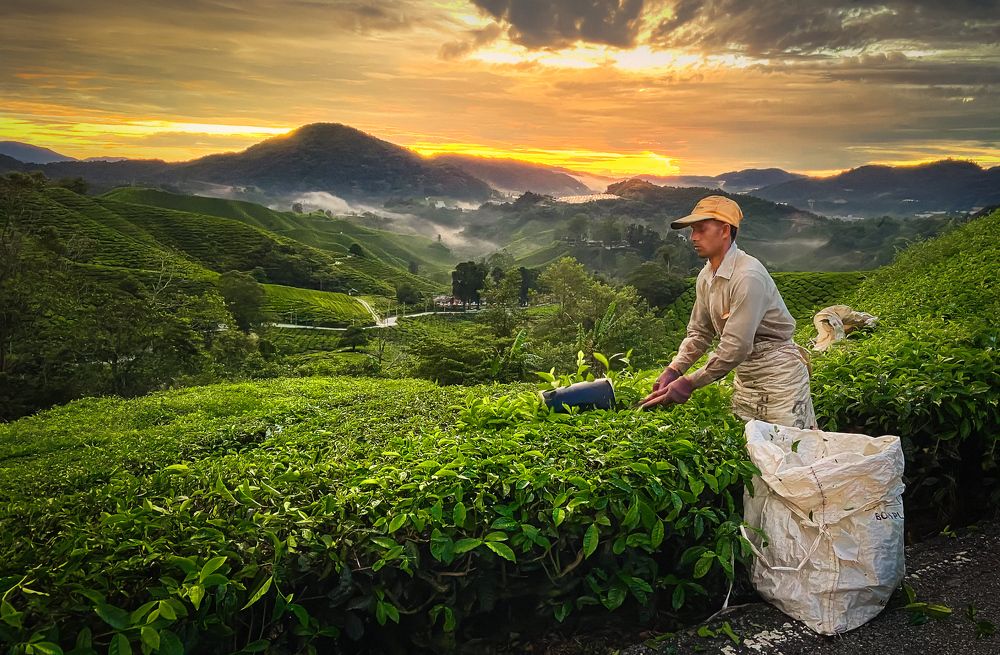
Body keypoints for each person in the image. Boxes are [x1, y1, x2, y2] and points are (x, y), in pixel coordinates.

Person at [640, 195, 817, 429]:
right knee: (751, 451)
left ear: (725, 231)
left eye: (701, 229)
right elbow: (700, 332)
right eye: (693, 230)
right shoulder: (706, 277)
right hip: (746, 378)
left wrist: (690, 383)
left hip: (779, 377)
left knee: (792, 447)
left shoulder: (747, 277)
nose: (693, 237)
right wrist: (675, 369)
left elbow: (736, 347)